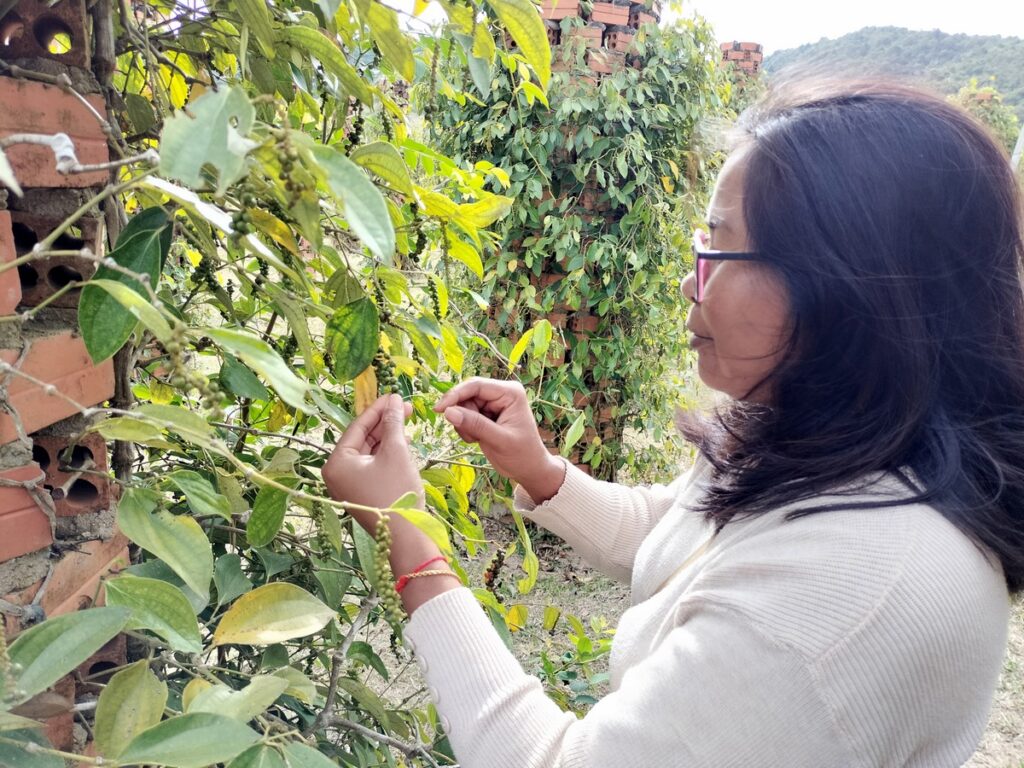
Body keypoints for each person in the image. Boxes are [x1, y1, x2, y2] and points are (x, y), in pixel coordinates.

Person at [322, 80, 1024, 767]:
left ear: (847, 285)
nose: (692, 280)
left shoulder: (858, 593)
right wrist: (540, 471)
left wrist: (409, 537)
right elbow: (685, 537)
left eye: (719, 247)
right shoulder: (837, 441)